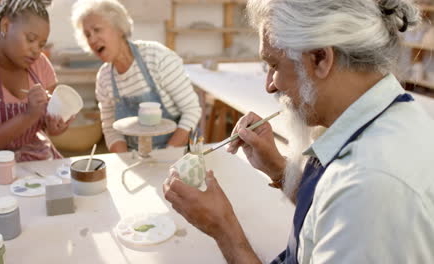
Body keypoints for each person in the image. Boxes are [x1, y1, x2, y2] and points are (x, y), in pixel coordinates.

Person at [164, 0, 434, 263]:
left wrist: (224, 230)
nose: (270, 85)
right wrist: (279, 170)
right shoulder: (389, 116)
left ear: (320, 58)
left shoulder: (369, 190)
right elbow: (325, 211)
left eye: (274, 65)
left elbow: (349, 202)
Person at [71, 0, 201, 153]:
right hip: (135, 157)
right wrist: (125, 162)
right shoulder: (104, 78)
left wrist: (167, 154)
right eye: (87, 35)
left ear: (119, 28)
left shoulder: (157, 57)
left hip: (176, 152)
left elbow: (192, 110)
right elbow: (111, 128)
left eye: (97, 30)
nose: (92, 40)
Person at [0, 0, 71, 166]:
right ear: (6, 26)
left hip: (35, 160)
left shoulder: (40, 63)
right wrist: (28, 116)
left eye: (41, 44)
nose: (36, 50)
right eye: (30, 39)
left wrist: (54, 125)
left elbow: (47, 124)